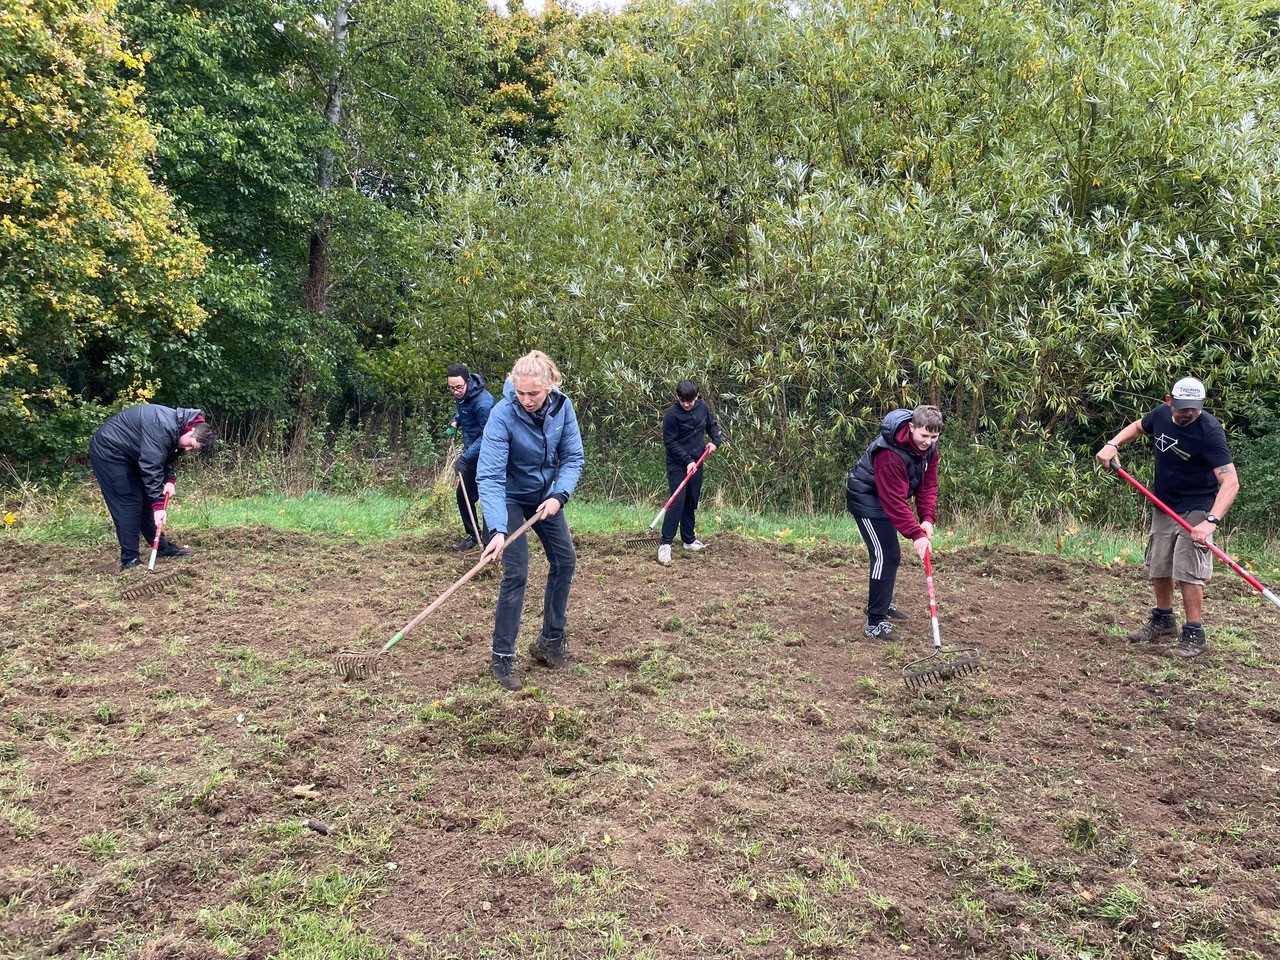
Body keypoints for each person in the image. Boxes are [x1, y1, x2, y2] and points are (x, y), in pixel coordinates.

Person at [1095, 376, 1238, 659]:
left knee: (1188, 569)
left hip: (1197, 506)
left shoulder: (1209, 431)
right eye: (1182, 406)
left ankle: (1194, 634)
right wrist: (1113, 444)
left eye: (1194, 408)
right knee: (1159, 564)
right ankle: (1163, 620)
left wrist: (1210, 521)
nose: (1188, 413)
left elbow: (1230, 482)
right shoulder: (1160, 415)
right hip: (1164, 503)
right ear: (1168, 400)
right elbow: (1138, 426)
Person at [477, 351, 585, 691]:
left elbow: (572, 457)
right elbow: (490, 477)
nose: (525, 400)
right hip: (507, 498)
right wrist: (496, 529)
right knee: (518, 571)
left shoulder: (562, 408)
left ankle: (550, 643)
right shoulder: (502, 414)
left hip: (544, 496)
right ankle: (502, 656)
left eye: (533, 394)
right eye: (520, 393)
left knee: (565, 561)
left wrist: (559, 495)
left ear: (550, 387)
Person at [845, 405, 943, 640]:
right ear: (911, 428)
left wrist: (927, 518)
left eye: (934, 436)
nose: (929, 441)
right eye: (924, 436)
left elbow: (928, 485)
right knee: (884, 555)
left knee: (891, 555)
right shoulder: (889, 454)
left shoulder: (928, 450)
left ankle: (882, 601)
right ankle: (874, 622)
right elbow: (893, 500)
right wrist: (916, 534)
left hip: (888, 499)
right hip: (867, 499)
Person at [88, 404, 217, 570]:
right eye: (190, 445)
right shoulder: (164, 426)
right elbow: (151, 465)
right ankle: (130, 559)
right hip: (110, 451)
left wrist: (169, 479)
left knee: (146, 502)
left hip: (132, 453)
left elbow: (164, 456)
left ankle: (162, 548)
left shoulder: (178, 429)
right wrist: (158, 506)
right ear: (191, 430)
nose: (187, 449)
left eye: (192, 449)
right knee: (129, 502)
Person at [657, 380, 724, 566]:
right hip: (678, 464)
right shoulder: (671, 415)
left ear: (696, 396)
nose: (686, 404)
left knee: (691, 501)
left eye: (689, 400)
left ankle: (688, 540)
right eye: (682, 400)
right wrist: (687, 461)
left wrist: (715, 441)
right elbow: (669, 443)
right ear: (678, 397)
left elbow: (712, 426)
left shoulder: (703, 408)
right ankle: (665, 544)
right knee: (677, 501)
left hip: (698, 461)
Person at [446, 363, 496, 551]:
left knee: (487, 496)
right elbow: (462, 411)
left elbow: (488, 437)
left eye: (459, 387)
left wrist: (465, 458)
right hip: (472, 453)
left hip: (488, 456)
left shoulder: (484, 403)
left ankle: (489, 539)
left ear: (467, 382)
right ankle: (473, 536)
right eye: (451, 388)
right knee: (463, 495)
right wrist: (455, 421)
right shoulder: (463, 396)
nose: (456, 392)